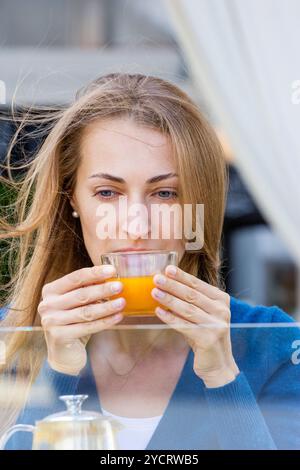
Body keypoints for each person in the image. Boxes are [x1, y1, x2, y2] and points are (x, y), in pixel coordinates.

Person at [0, 73, 299, 450]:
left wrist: (222, 373)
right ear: (72, 200)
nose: (136, 225)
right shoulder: (12, 340)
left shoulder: (272, 343)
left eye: (165, 193)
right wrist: (57, 372)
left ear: (197, 206)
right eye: (107, 192)